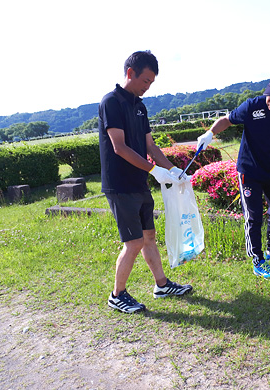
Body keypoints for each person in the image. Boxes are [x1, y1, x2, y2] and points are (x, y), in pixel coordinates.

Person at [98, 50, 193, 313]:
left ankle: (161, 285)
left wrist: (174, 170)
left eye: (151, 83)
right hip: (120, 185)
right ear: (131, 73)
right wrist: (154, 171)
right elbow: (119, 147)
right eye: (145, 81)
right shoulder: (111, 103)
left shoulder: (140, 106)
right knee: (134, 242)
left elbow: (149, 145)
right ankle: (117, 295)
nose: (147, 87)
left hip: (139, 182)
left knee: (149, 236)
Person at [196, 70, 270, 279]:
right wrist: (210, 133)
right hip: (250, 170)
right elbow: (227, 119)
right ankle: (258, 261)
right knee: (254, 216)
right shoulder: (253, 105)